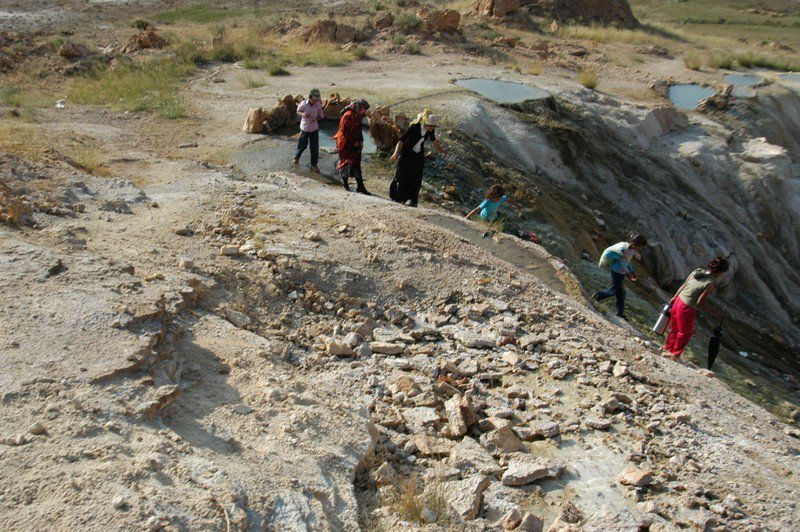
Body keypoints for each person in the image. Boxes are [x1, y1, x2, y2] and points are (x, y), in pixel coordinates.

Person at [663, 256, 729, 358]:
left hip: (678, 301)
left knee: (675, 329)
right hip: (687, 307)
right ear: (720, 272)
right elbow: (699, 302)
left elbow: (684, 285)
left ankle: (668, 348)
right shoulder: (710, 283)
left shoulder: (697, 271)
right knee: (685, 333)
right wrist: (714, 312)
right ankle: (674, 354)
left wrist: (674, 297)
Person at [389, 109, 446, 207]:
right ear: (427, 125)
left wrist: (442, 151)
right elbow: (401, 140)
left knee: (417, 177)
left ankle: (413, 200)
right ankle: (398, 197)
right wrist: (396, 153)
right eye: (431, 127)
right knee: (402, 175)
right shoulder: (414, 127)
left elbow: (434, 141)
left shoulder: (430, 131)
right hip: (407, 154)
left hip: (418, 155)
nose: (432, 130)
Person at [593, 234, 648, 320]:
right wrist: (619, 256)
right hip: (616, 272)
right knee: (615, 291)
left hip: (621, 273)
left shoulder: (632, 251)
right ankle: (596, 296)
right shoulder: (623, 248)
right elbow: (611, 254)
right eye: (640, 247)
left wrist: (632, 272)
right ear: (635, 244)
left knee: (620, 293)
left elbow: (627, 262)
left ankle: (620, 313)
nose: (640, 249)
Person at [333, 98, 370, 194]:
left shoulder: (357, 115)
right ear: (360, 107)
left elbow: (358, 129)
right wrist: (354, 142)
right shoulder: (349, 115)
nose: (364, 111)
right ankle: (345, 185)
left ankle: (360, 187)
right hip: (345, 143)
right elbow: (345, 132)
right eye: (364, 109)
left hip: (354, 143)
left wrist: (360, 141)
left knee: (356, 163)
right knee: (346, 163)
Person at [293, 88, 324, 174]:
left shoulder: (318, 105)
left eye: (317, 100)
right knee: (302, 145)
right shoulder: (304, 104)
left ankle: (314, 164)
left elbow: (321, 116)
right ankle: (297, 156)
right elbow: (298, 111)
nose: (315, 102)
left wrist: (316, 118)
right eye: (314, 100)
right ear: (310, 97)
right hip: (305, 128)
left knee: (314, 147)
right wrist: (303, 114)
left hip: (314, 129)